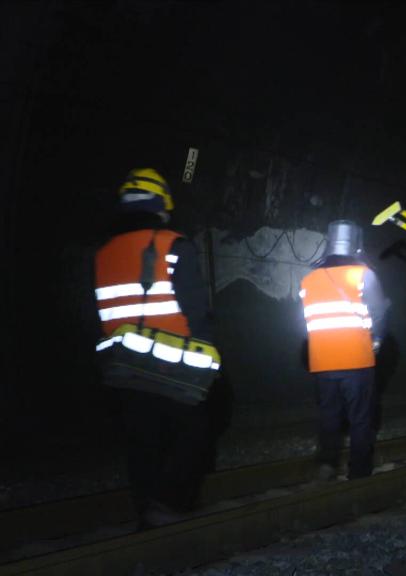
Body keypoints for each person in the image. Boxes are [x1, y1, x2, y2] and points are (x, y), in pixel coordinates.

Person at [92, 168, 221, 528]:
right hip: (174, 364)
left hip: (122, 365)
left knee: (142, 442)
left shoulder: (103, 253)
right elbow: (196, 309)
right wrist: (209, 358)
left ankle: (147, 514)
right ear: (162, 205)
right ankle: (170, 502)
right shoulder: (173, 245)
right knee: (195, 435)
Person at [300, 220, 389, 480]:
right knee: (360, 418)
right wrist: (377, 341)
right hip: (357, 359)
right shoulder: (364, 274)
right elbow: (379, 313)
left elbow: (301, 324)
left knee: (329, 415)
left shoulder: (308, 279)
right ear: (356, 245)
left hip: (322, 362)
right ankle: (359, 472)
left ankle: (327, 464)